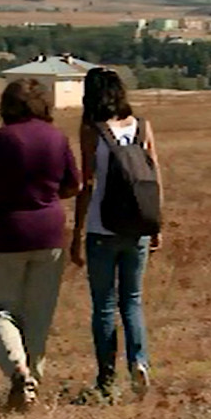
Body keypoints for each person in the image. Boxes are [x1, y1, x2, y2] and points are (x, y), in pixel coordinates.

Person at [0, 78, 79, 410]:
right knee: (39, 314)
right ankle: (32, 386)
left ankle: (17, 368)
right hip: (50, 233)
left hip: (7, 232)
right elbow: (73, 186)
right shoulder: (57, 137)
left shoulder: (3, 138)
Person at [70, 68, 161, 402]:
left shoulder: (91, 130)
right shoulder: (143, 126)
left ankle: (106, 378)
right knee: (132, 300)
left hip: (102, 228)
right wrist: (156, 224)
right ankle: (139, 361)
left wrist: (77, 231)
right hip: (138, 226)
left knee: (104, 306)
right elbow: (154, 175)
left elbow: (87, 183)